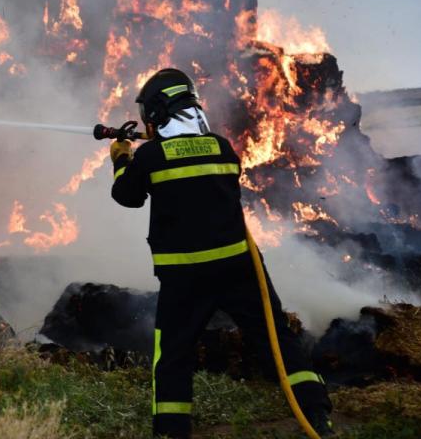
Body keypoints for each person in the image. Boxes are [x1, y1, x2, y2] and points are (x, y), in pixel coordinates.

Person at [109, 68, 333, 439]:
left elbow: (127, 197)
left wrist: (120, 158)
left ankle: (171, 431)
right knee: (278, 340)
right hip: (240, 270)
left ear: (158, 113)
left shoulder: (150, 157)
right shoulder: (223, 147)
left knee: (174, 358)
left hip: (184, 279)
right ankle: (317, 414)